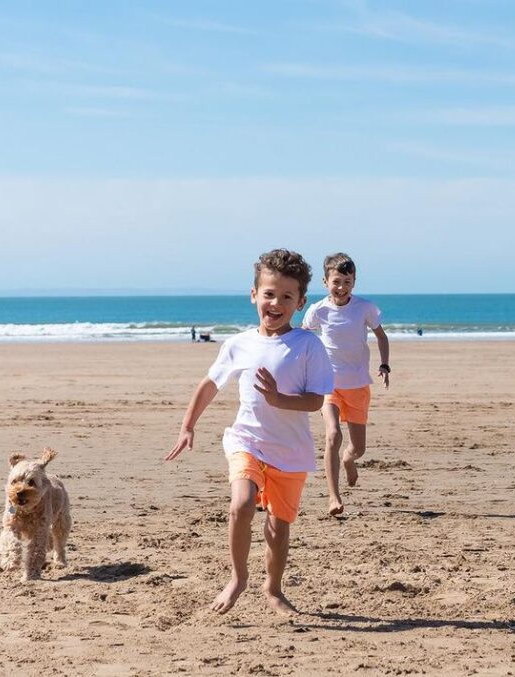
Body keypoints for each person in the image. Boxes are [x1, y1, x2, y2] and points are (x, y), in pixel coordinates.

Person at [165, 249, 334, 615]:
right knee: (241, 504)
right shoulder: (238, 344)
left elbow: (315, 401)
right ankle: (238, 577)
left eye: (287, 297)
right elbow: (210, 384)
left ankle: (273, 588)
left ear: (301, 302)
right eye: (269, 293)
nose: (276, 303)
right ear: (254, 294)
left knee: (278, 525)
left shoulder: (308, 345)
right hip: (247, 442)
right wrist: (187, 426)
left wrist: (277, 397)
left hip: (290, 451)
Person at [301, 253, 391, 517]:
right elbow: (304, 340)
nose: (341, 288)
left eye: (347, 282)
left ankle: (348, 460)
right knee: (332, 436)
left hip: (358, 385)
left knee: (357, 448)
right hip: (328, 385)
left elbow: (381, 336)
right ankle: (333, 497)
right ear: (325, 281)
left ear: (354, 282)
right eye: (336, 281)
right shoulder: (318, 310)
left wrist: (385, 365)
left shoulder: (365, 308)